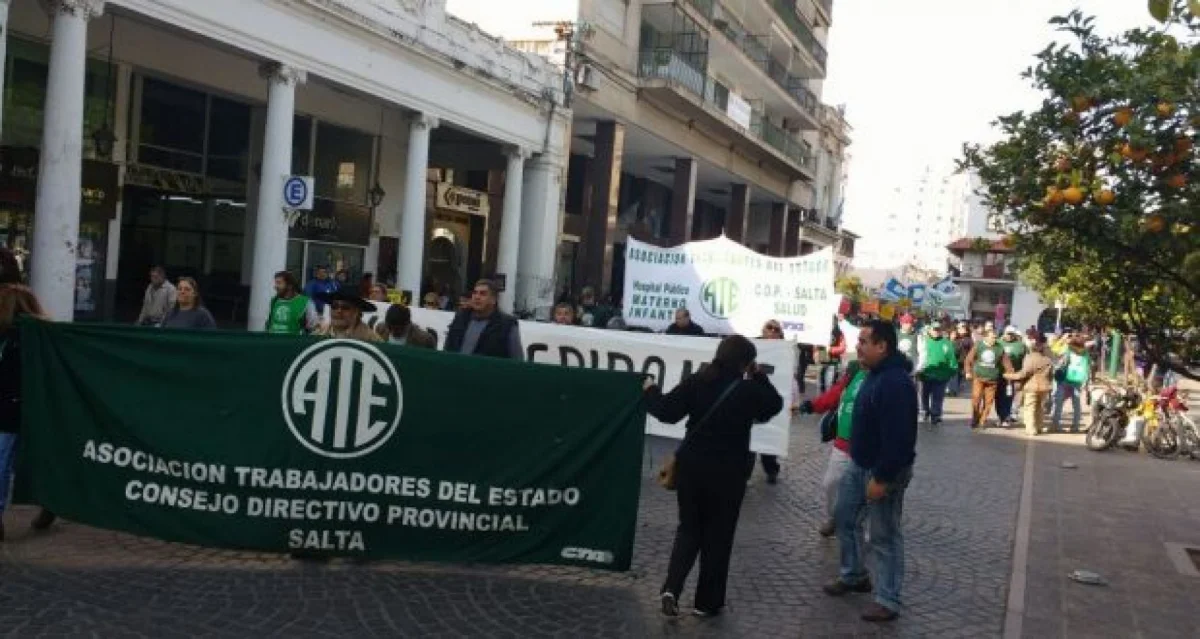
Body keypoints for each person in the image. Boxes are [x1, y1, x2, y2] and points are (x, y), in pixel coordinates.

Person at [644, 335, 784, 618]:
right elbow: (774, 404)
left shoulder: (697, 381)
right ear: (746, 363)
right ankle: (706, 603)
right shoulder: (748, 391)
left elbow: (667, 412)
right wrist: (759, 376)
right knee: (719, 536)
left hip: (692, 468)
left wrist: (650, 390)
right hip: (729, 473)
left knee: (688, 529)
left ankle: (671, 588)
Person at [823, 320, 917, 623]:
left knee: (884, 534)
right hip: (859, 462)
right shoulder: (872, 374)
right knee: (844, 517)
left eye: (864, 342)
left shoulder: (895, 382)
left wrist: (883, 478)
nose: (858, 347)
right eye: (859, 341)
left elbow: (900, 439)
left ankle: (888, 599)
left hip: (882, 470)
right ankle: (854, 575)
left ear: (882, 346)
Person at [0, 249, 56, 541]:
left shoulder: (15, 313)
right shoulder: (34, 323)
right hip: (22, 401)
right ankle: (51, 501)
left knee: (5, 459)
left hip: (12, 403)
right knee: (23, 459)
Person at [799, 358, 865, 538]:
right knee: (831, 483)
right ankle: (835, 518)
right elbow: (835, 393)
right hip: (843, 443)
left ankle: (857, 526)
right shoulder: (854, 370)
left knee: (864, 491)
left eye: (864, 344)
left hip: (867, 447)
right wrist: (812, 405)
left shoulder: (883, 376)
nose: (860, 348)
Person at [750, 320, 799, 485]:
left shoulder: (785, 351)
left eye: (776, 329)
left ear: (780, 333)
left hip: (772, 399)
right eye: (769, 327)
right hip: (753, 398)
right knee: (749, 438)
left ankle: (771, 469)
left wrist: (793, 400)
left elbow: (791, 378)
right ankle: (745, 473)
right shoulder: (752, 346)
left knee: (769, 438)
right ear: (762, 330)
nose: (772, 331)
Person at [444, 279, 523, 359]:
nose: (477, 297)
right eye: (475, 293)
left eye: (483, 294)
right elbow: (447, 349)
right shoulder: (460, 318)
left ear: (493, 300)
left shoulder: (507, 325)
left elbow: (517, 359)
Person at [1004, 332, 1054, 436]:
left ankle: (1031, 429)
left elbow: (1024, 373)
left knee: (1030, 407)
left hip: (1032, 386)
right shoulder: (1047, 359)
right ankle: (1039, 426)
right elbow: (1051, 375)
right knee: (1040, 408)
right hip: (1044, 386)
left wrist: (1008, 375)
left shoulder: (1030, 358)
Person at [964, 330, 1013, 429]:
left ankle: (982, 421)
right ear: (985, 337)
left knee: (988, 402)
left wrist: (1010, 373)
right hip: (979, 377)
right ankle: (975, 418)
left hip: (992, 380)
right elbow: (968, 359)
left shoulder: (999, 348)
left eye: (995, 337)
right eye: (992, 337)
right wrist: (968, 372)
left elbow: (1007, 363)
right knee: (976, 399)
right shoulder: (979, 346)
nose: (994, 339)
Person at [916, 323, 957, 425]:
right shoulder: (924, 342)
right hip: (925, 374)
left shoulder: (946, 343)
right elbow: (918, 355)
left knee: (938, 397)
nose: (936, 331)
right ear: (930, 330)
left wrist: (952, 370)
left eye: (938, 329)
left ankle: (936, 415)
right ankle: (925, 412)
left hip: (941, 376)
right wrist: (918, 370)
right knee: (924, 395)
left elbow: (951, 358)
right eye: (934, 329)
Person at [1051, 337, 1092, 433]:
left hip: (1065, 380)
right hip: (1078, 381)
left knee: (1058, 402)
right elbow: (1088, 368)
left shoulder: (1068, 351)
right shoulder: (1086, 354)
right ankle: (1075, 426)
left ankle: (1055, 425)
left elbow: (1059, 359)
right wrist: (1086, 382)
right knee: (1076, 404)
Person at [312, 290, 381, 342]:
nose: (339, 311)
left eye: (345, 307)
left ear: (356, 313)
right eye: (334, 306)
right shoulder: (320, 333)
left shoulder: (371, 339)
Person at [266, 271, 319, 335]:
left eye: (279, 283)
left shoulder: (305, 302)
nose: (275, 286)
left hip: (294, 340)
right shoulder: (274, 300)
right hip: (273, 340)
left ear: (289, 286)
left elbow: (313, 327)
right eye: (276, 283)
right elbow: (269, 324)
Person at [995, 326, 1028, 426]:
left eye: (1011, 334)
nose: (1009, 336)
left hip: (1013, 376)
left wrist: (1022, 373)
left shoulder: (1021, 345)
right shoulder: (998, 343)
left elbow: (1025, 360)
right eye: (1008, 333)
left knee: (1009, 396)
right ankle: (1000, 416)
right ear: (1004, 333)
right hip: (999, 375)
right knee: (999, 397)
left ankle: (1006, 417)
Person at [819, 324, 846, 392]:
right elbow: (819, 345)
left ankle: (831, 392)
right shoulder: (823, 330)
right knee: (822, 375)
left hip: (834, 358)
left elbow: (842, 348)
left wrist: (831, 349)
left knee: (833, 377)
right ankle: (823, 392)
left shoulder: (839, 333)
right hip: (824, 355)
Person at [949, 323, 973, 397]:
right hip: (955, 362)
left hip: (964, 362)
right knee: (955, 377)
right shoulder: (955, 339)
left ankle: (957, 391)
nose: (960, 329)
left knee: (962, 378)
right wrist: (951, 340)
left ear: (966, 330)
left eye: (962, 327)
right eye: (958, 328)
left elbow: (972, 351)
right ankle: (953, 391)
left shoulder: (969, 340)